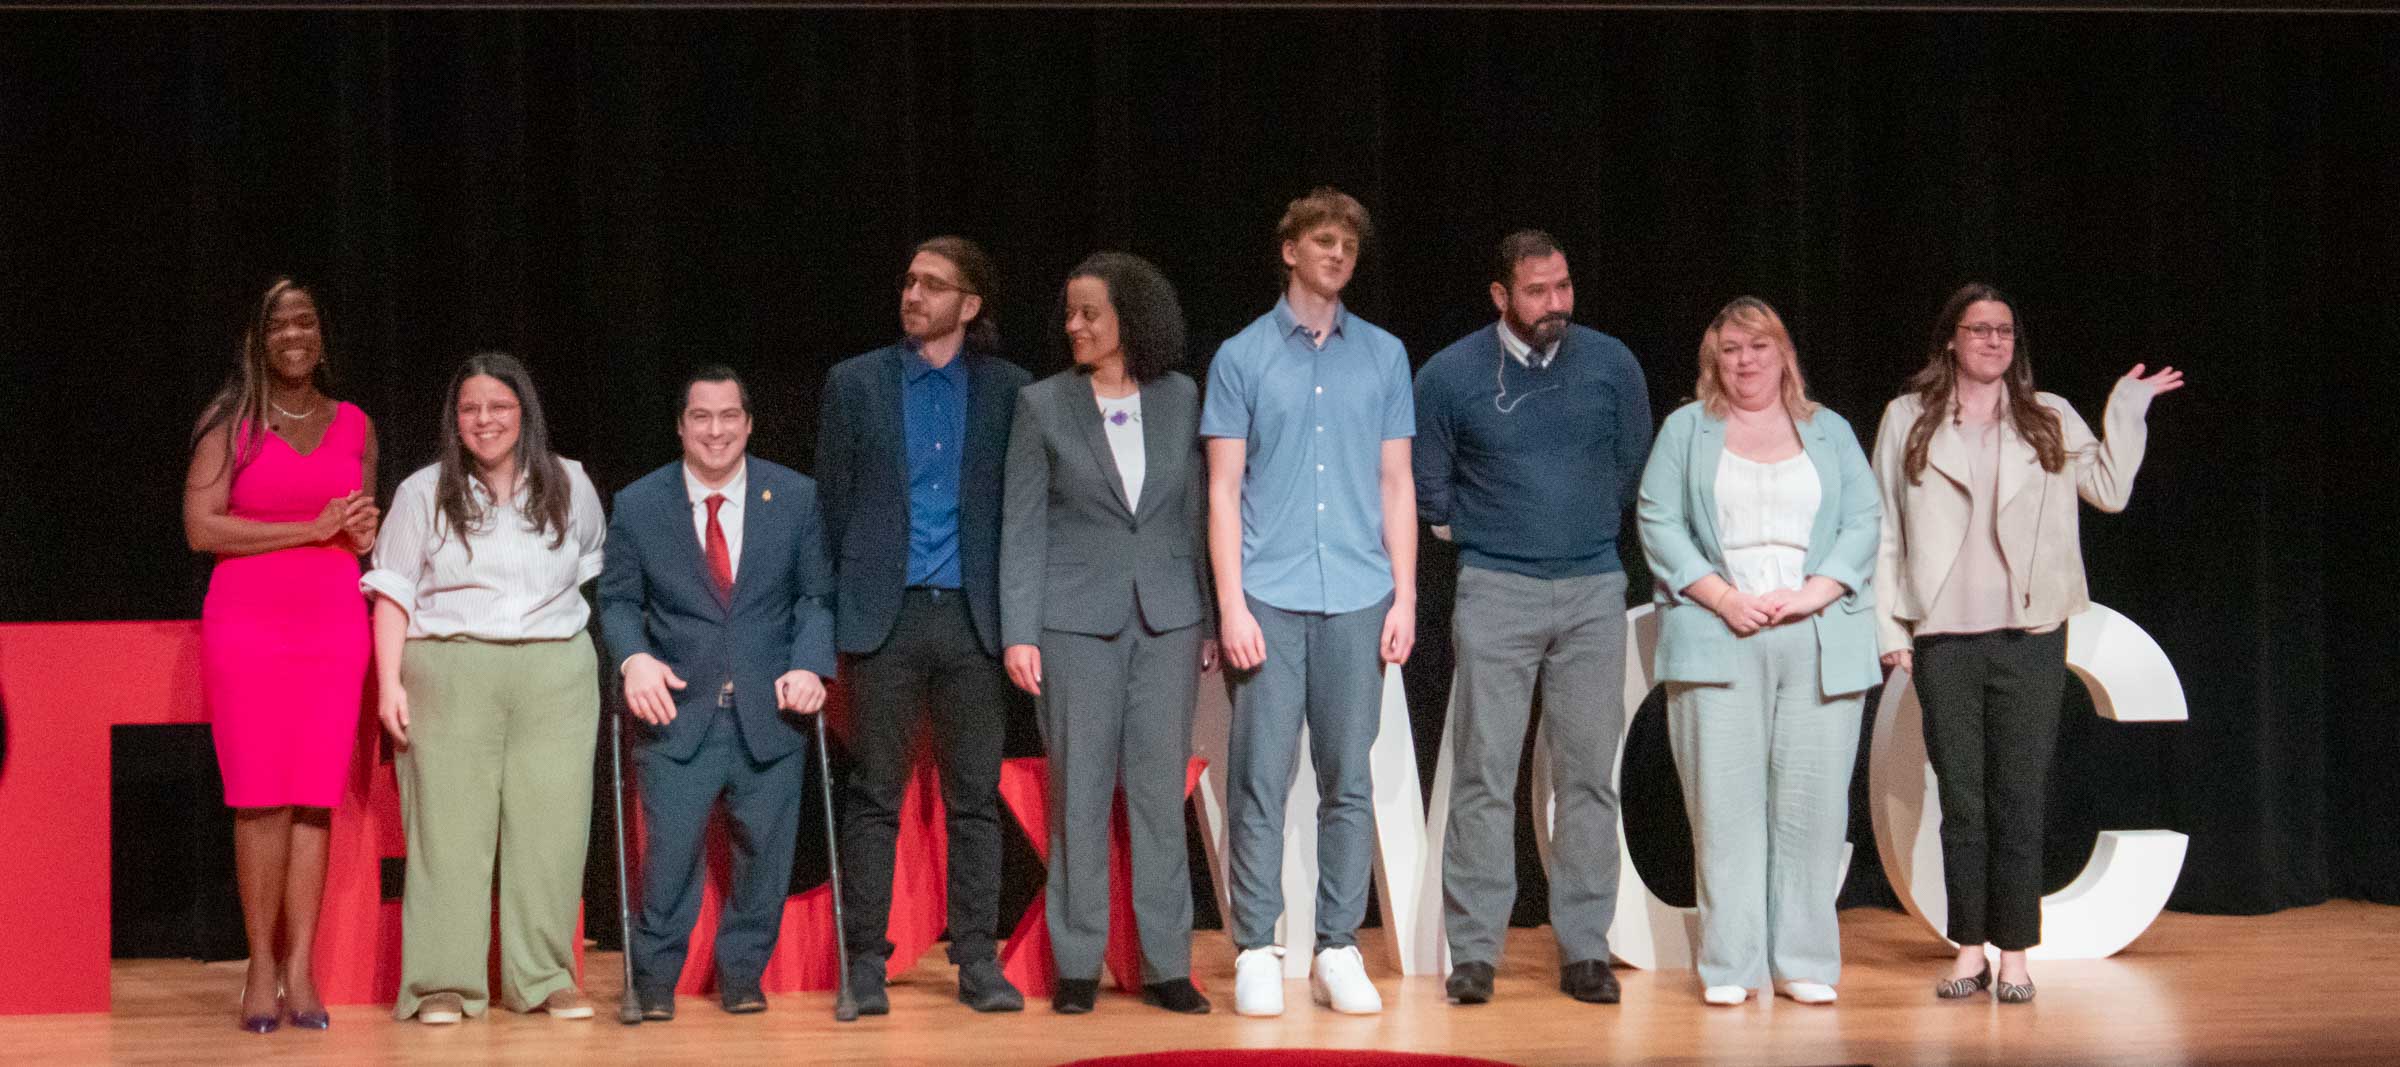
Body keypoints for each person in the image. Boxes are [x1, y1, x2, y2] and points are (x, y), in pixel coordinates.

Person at [1872, 283, 2182, 1003]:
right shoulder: (1906, 419)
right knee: (1963, 800)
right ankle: (1968, 948)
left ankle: (2014, 954)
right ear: (1951, 338)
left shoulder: (2048, 417)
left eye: (2005, 331)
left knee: (2019, 795)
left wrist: (2126, 414)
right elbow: (1884, 529)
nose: (1993, 341)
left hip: (2031, 635)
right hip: (1945, 636)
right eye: (1979, 329)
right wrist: (1890, 630)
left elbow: (2109, 488)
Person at [1413, 230, 1652, 1006]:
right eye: (1539, 291)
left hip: (1591, 586)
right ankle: (1475, 950)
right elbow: (1431, 486)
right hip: (1497, 586)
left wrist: (1574, 523)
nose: (1556, 304)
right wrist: (1491, 532)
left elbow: (1630, 468)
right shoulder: (1450, 374)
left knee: (1587, 774)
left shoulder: (1611, 363)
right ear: (1500, 296)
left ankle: (1585, 946)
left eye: (1564, 287)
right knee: (1485, 772)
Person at [1202, 187, 1416, 1017]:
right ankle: (1257, 943)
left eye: (1349, 247)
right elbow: (1222, 490)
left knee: (1347, 777)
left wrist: (1403, 597)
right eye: (1323, 242)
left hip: (1360, 591)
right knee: (1259, 774)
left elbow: (1396, 483)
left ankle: (1337, 945)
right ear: (1289, 249)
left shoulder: (1384, 355)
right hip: (1271, 591)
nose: (1337, 255)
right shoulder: (1243, 356)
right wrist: (1232, 604)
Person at [1636, 297, 1879, 1007]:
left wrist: (1815, 591)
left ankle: (1803, 958)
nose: (1745, 361)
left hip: (1815, 633)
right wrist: (1721, 596)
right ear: (1715, 359)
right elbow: (1658, 519)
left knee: (1812, 807)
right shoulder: (1687, 429)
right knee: (1723, 807)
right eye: (1731, 349)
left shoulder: (1828, 431)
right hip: (1719, 634)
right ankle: (1730, 965)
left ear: (1784, 355)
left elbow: (1865, 519)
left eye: (1758, 347)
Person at [816, 236, 1033, 1014]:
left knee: (975, 798)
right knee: (876, 794)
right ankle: (865, 966)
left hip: (975, 619)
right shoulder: (856, 383)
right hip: (888, 615)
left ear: (969, 306)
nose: (913, 295)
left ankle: (978, 961)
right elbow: (833, 505)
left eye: (933, 285)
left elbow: (1023, 508)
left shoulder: (1011, 389)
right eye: (908, 281)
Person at [362, 352, 607, 1025]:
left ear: (523, 411)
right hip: (451, 665)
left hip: (555, 671)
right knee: (448, 830)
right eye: (470, 408)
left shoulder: (570, 483)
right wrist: (388, 683)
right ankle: (443, 983)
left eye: (498, 405)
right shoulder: (422, 492)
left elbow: (589, 568)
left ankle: (544, 976)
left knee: (551, 829)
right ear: (455, 419)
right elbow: (393, 590)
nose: (484, 419)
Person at [999, 252, 1215, 1015]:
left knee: (1160, 794)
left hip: (1168, 620)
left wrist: (1212, 619)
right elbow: (1021, 527)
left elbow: (1197, 514)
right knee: (1078, 795)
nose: (1074, 326)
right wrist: (1019, 631)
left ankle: (1167, 963)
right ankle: (1077, 964)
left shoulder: (1183, 397)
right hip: (1071, 624)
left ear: (1131, 316)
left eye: (1089, 312)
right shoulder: (1043, 404)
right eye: (1070, 313)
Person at [599, 366, 836, 1020]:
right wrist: (635, 659)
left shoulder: (793, 496)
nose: (716, 430)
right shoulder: (640, 504)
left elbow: (816, 596)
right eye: (701, 416)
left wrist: (813, 664)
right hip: (676, 710)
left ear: (749, 422)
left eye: (729, 415)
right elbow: (617, 601)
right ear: (680, 424)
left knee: (765, 856)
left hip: (771, 711)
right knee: (669, 859)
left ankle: (742, 975)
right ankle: (651, 984)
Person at [184, 278, 379, 1033]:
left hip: (332, 621)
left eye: (306, 321)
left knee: (313, 794)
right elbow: (202, 528)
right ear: (257, 340)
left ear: (321, 335)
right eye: (278, 324)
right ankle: (259, 967)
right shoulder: (230, 423)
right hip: (250, 622)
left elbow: (358, 527)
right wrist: (312, 528)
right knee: (260, 793)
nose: (294, 334)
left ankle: (302, 965)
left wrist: (358, 530)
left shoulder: (355, 422)